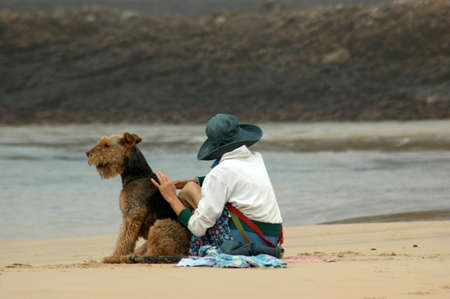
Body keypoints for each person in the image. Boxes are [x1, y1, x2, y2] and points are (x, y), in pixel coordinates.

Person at [151, 113, 283, 255]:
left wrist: (172, 198)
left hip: (244, 240)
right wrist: (197, 181)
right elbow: (235, 178)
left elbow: (198, 227)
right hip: (272, 239)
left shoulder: (220, 173)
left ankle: (174, 243)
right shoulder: (256, 158)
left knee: (189, 192)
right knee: (192, 187)